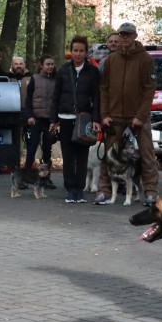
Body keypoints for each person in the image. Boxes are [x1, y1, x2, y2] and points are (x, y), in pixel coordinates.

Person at [96, 22, 159, 206]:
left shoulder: (145, 59)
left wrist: (140, 116)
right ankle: (104, 191)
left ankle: (150, 192)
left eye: (128, 35)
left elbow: (149, 90)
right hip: (114, 116)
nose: (125, 38)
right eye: (122, 34)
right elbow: (104, 89)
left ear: (135, 36)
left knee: (146, 154)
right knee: (108, 154)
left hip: (138, 115)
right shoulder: (110, 61)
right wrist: (104, 114)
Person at [50, 36, 100, 203]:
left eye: (81, 51)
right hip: (65, 118)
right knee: (68, 155)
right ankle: (70, 189)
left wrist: (96, 118)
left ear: (86, 52)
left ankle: (80, 189)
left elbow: (96, 97)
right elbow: (56, 96)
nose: (78, 54)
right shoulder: (64, 70)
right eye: (75, 50)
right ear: (71, 52)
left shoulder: (93, 71)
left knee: (82, 155)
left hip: (84, 119)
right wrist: (53, 119)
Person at [23, 55, 58, 187]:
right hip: (35, 120)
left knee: (47, 150)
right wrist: (29, 116)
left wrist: (56, 120)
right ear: (41, 66)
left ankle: (46, 179)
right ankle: (25, 178)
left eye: (52, 64)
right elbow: (28, 100)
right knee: (31, 149)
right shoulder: (34, 79)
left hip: (50, 121)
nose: (50, 66)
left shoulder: (57, 80)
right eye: (47, 64)